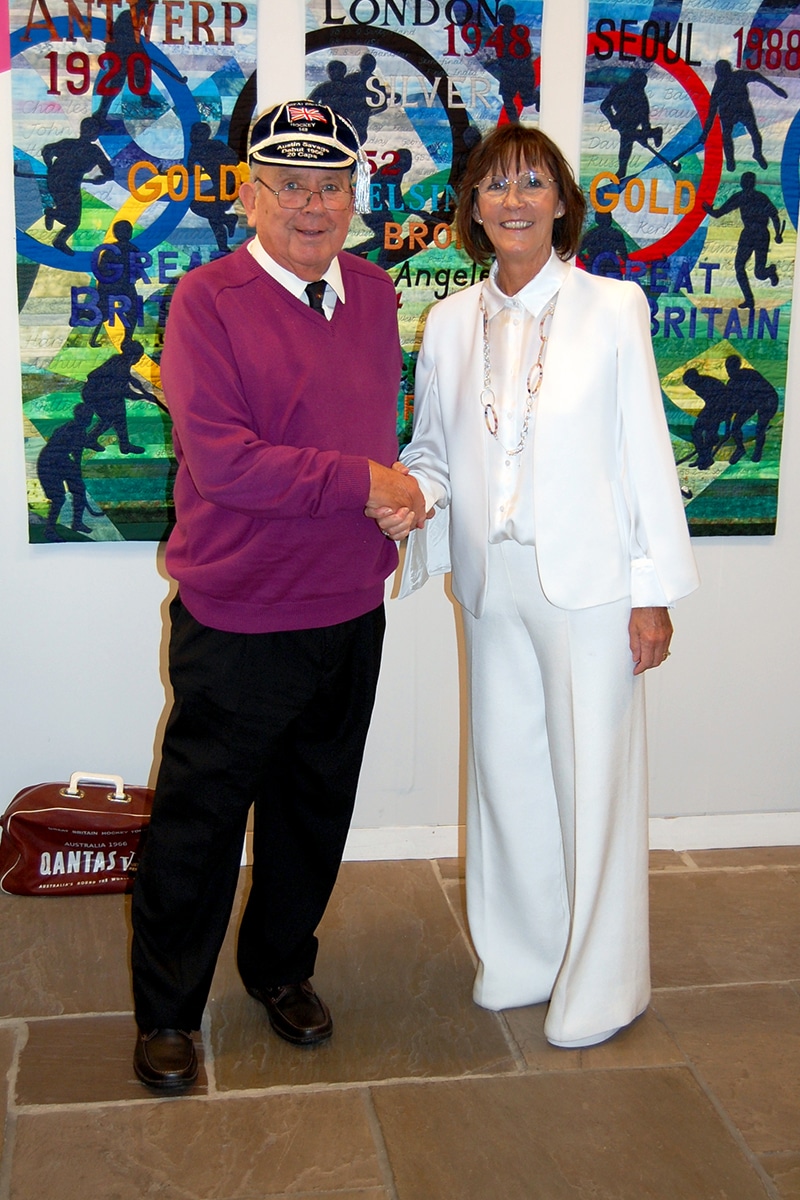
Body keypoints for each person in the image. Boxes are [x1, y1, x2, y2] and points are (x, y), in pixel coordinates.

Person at [372, 126, 699, 1049]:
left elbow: (645, 454)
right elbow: (434, 451)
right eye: (494, 185)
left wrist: (651, 591)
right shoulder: (445, 322)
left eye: (532, 183)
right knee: (506, 777)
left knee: (593, 780)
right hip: (490, 581)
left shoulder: (613, 308)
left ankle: (603, 983)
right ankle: (519, 958)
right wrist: (410, 498)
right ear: (472, 207)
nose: (513, 199)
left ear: (561, 201)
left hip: (589, 583)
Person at [130, 100, 425, 1090]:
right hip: (239, 618)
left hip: (349, 608)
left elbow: (371, 436)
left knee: (313, 811)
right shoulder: (205, 301)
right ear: (249, 194)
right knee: (200, 824)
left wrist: (397, 494)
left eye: (330, 186)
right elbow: (223, 464)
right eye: (289, 185)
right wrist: (362, 485)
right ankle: (168, 1012)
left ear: (353, 195)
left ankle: (278, 970)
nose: (311, 204)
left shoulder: (379, 294)